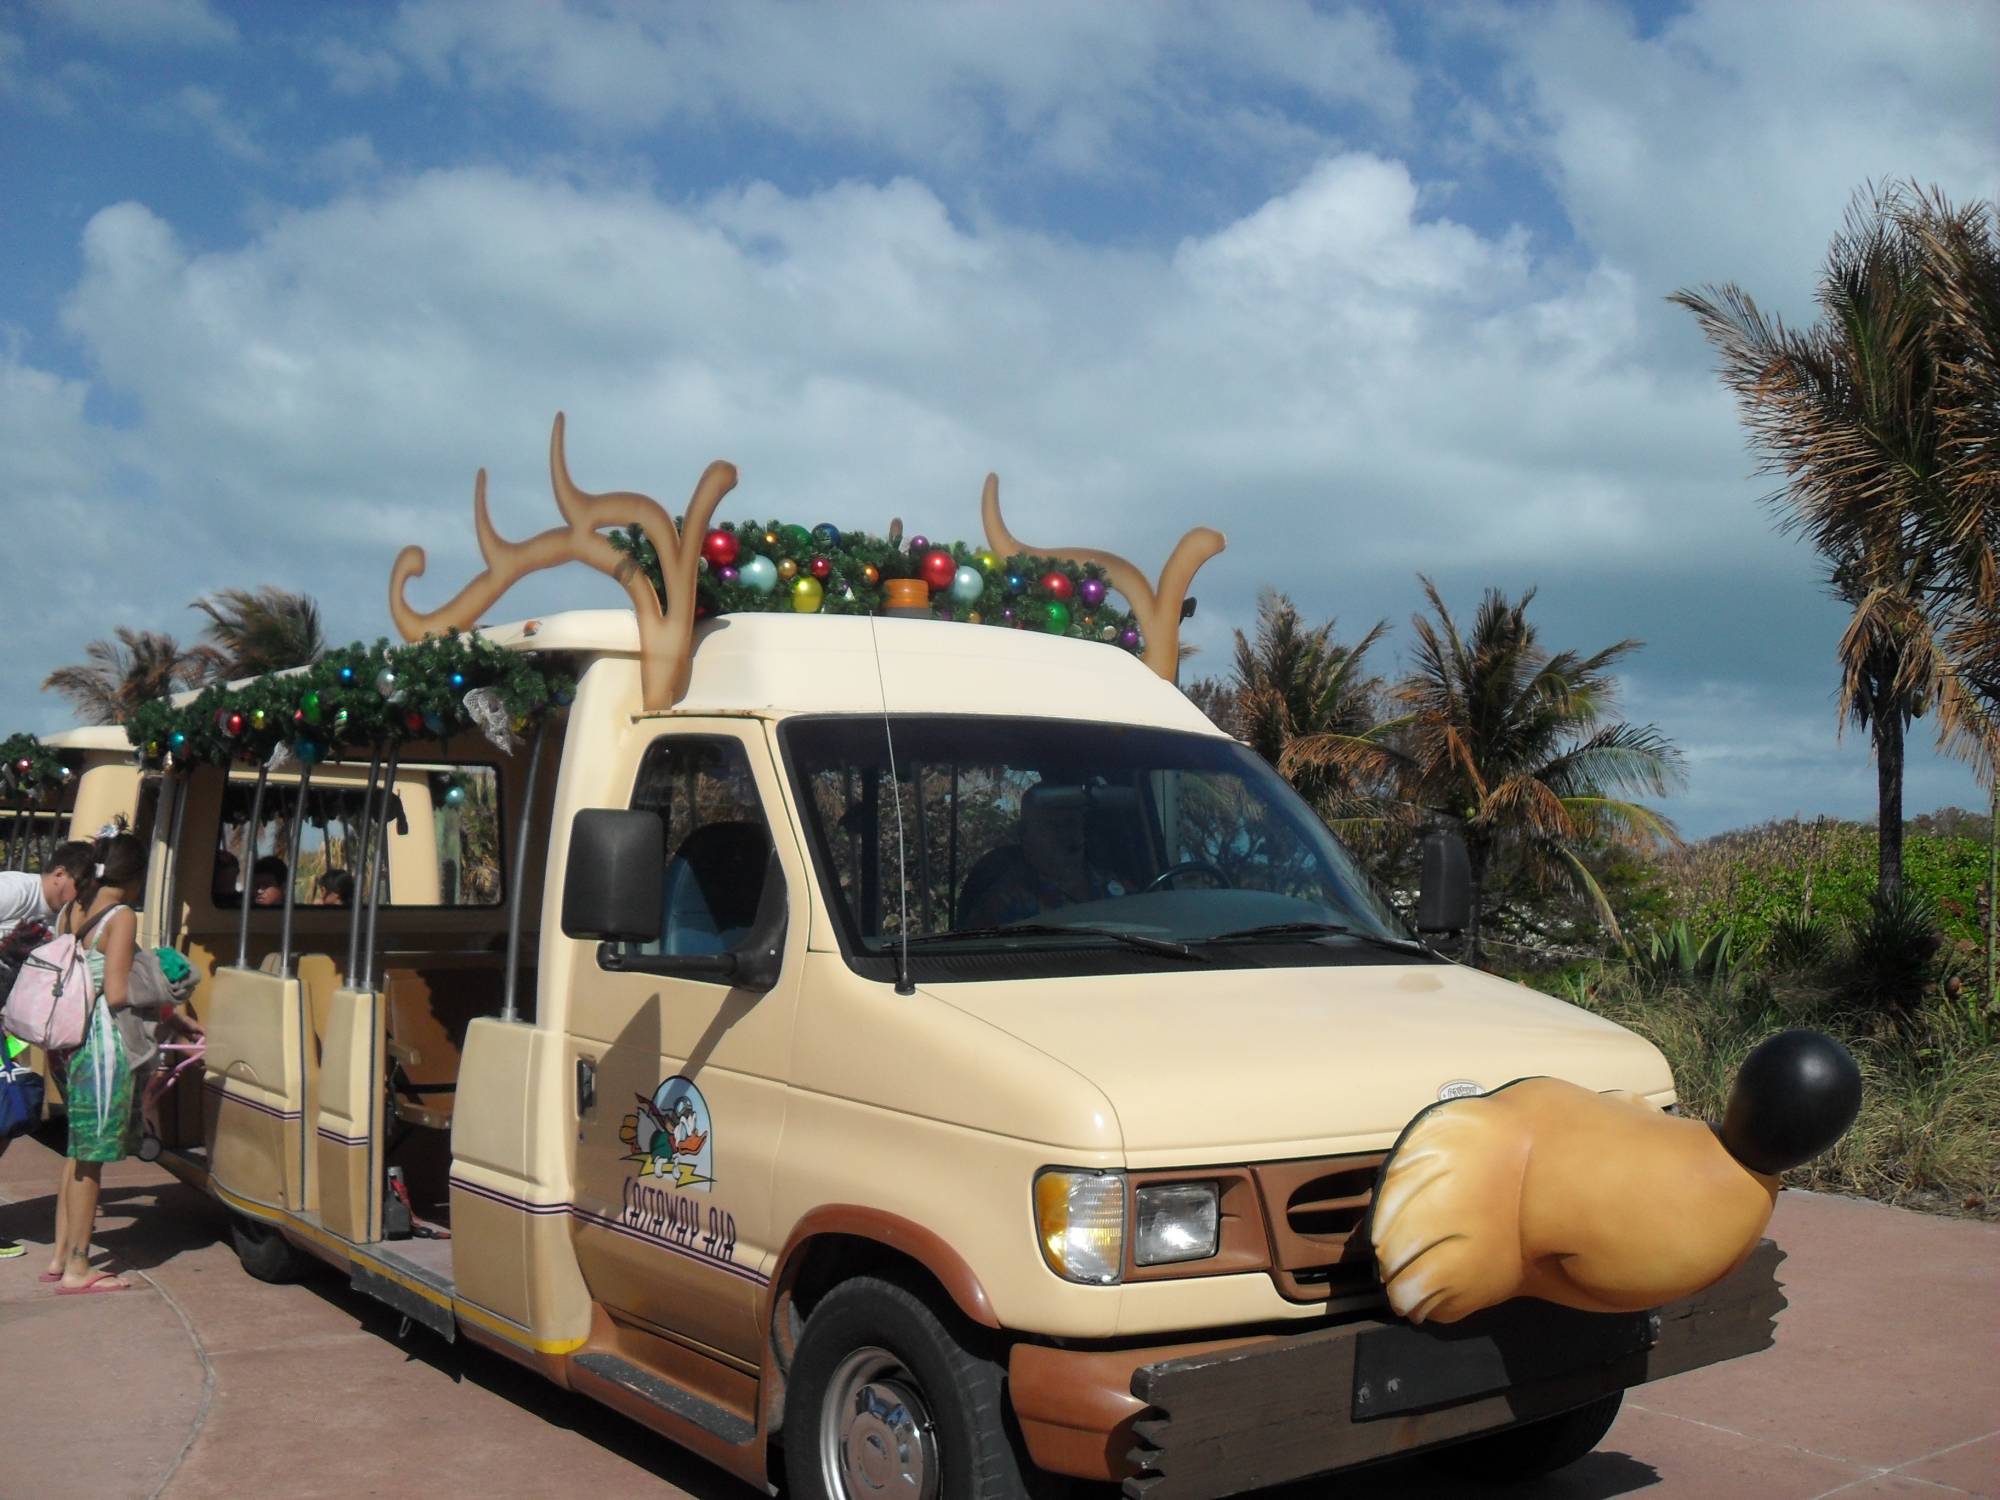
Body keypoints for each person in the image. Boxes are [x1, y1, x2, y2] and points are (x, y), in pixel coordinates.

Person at [43, 833, 147, 1293]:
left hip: (64, 1042)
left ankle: (60, 1252)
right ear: (135, 877)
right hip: (99, 1043)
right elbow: (120, 992)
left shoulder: (70, 911)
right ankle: (79, 1268)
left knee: (75, 1149)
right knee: (92, 1157)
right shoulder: (121, 917)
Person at [0, 841, 91, 1259]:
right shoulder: (14, 891)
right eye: (74, 884)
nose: (74, 896)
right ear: (57, 873)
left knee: (5, 1115)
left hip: (8, 1027)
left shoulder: (57, 914)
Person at [961, 784, 1128, 927]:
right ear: (1024, 834)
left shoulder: (1118, 888)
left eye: (1071, 822)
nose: (1065, 835)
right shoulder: (1004, 904)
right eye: (1053, 826)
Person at [0, 841, 91, 943]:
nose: (87, 894)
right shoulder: (14, 890)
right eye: (83, 885)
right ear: (59, 874)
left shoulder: (67, 917)